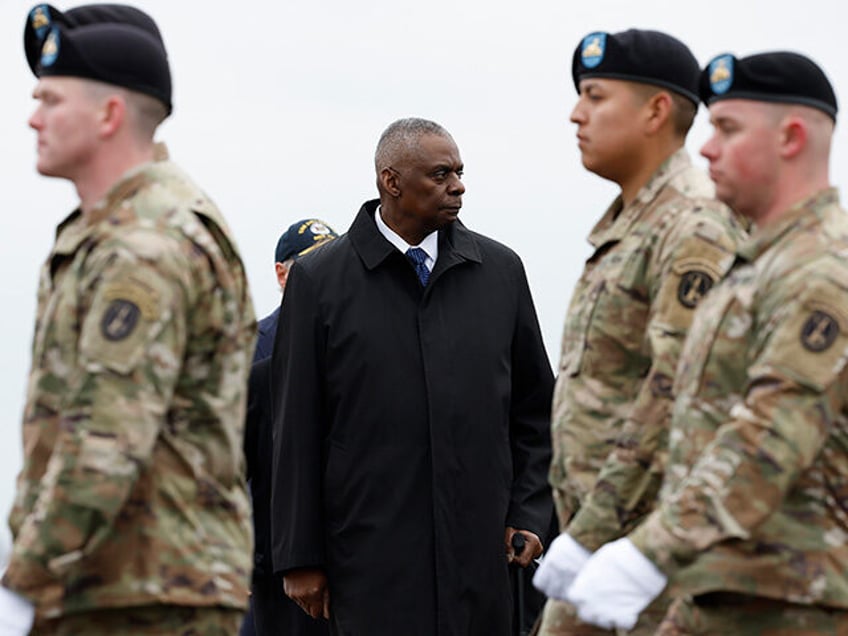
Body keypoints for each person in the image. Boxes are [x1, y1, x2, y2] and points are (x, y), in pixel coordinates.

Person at [562, 51, 848, 635]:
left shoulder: (823, 270)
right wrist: (594, 537)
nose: (707, 147)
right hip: (715, 587)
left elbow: (771, 433)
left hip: (792, 600)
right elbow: (674, 404)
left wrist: (647, 552)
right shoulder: (756, 264)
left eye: (728, 129)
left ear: (791, 138)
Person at [0, 4, 255, 634]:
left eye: (51, 100)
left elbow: (104, 440)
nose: (33, 117)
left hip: (146, 596)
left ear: (109, 115)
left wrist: (22, 582)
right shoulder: (114, 231)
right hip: (117, 585)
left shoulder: (146, 243)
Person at [270, 117, 554, 635]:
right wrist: (299, 556)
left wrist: (532, 511)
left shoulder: (500, 272)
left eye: (460, 172)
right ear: (391, 181)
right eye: (441, 174)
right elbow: (295, 425)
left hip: (482, 556)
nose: (458, 186)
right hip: (369, 558)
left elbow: (536, 410)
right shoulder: (321, 280)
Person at [532, 29, 747, 635]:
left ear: (656, 110)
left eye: (596, 96)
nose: (577, 114)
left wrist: (595, 533)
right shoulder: (630, 225)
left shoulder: (693, 225)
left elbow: (678, 387)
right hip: (601, 537)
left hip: (648, 553)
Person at [242, 219, 337, 636]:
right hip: (272, 553)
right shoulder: (251, 345)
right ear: (282, 273)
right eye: (310, 262)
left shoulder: (351, 335)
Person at [253, 219, 339, 362]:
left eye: (335, 263)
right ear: (282, 275)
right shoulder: (256, 344)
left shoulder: (360, 333)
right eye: (315, 265)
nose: (329, 274)